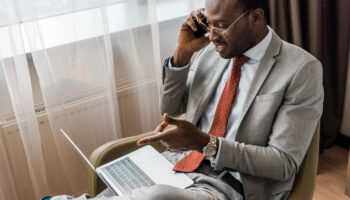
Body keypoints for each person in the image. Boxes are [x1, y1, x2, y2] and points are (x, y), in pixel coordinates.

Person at [46, 0, 323, 199]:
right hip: (177, 165)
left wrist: (205, 143)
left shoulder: (299, 69)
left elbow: (283, 163)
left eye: (222, 26)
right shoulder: (212, 53)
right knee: (131, 188)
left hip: (231, 185)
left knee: (152, 198)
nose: (212, 36)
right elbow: (169, 108)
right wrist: (182, 55)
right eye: (209, 24)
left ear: (255, 17)